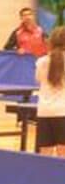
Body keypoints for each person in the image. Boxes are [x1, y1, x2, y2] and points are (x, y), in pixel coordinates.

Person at [35, 27, 65, 156]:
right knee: (62, 155)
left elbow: (38, 80)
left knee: (45, 155)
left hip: (44, 112)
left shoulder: (41, 61)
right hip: (63, 112)